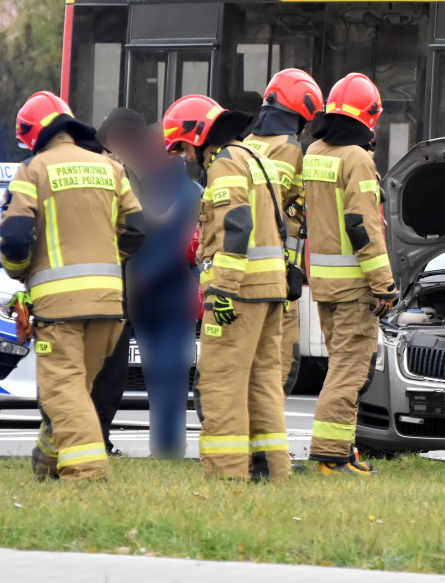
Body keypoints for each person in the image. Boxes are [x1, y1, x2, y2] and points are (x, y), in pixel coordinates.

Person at [0, 91, 145, 481]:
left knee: (62, 391)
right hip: (109, 305)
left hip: (59, 308)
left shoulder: (32, 171)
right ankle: (47, 463)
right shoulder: (109, 168)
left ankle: (88, 473)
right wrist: (112, 262)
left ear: (32, 136)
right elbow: (136, 228)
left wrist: (19, 272)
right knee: (75, 390)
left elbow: (14, 239)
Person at [162, 94, 291, 481]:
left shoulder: (224, 165)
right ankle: (270, 471)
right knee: (263, 383)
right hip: (270, 290)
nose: (185, 157)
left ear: (198, 135)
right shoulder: (256, 158)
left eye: (183, 147)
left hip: (240, 293)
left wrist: (222, 290)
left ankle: (226, 474)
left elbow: (236, 225)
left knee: (220, 382)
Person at [304, 73, 398, 477]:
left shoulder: (315, 152)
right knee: (349, 371)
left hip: (324, 285)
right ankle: (330, 457)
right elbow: (363, 226)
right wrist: (384, 285)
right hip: (355, 287)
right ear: (369, 116)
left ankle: (343, 449)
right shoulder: (357, 159)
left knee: (340, 367)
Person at [96, 108, 201, 461]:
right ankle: (105, 443)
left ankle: (168, 452)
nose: (113, 154)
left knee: (167, 373)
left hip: (164, 295)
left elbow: (177, 237)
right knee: (115, 374)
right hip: (140, 295)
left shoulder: (178, 185)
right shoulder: (122, 181)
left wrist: (139, 279)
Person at [242, 69, 323, 394]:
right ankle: (267, 442)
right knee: (277, 367)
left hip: (242, 267)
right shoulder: (288, 148)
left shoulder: (246, 144)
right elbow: (279, 201)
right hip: (277, 271)